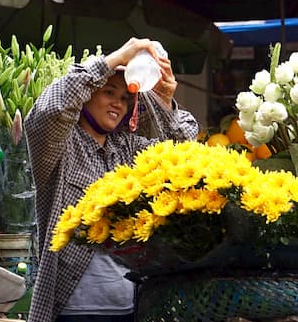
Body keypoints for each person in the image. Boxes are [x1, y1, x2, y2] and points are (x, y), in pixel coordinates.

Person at [24, 38, 199, 322]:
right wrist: (114, 59)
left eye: (124, 98)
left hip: (130, 307)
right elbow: (50, 110)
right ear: (87, 96)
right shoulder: (62, 147)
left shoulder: (126, 149)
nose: (118, 103)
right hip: (74, 310)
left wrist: (165, 101)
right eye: (109, 92)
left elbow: (180, 158)